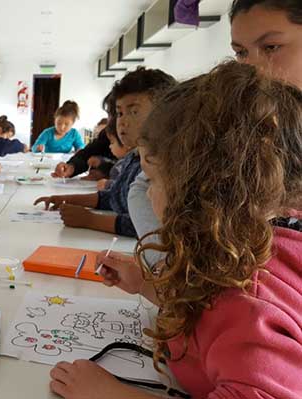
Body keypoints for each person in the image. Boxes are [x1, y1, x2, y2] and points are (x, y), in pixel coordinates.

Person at [50, 61, 302, 399]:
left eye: (152, 181)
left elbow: (232, 322)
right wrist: (147, 286)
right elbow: (207, 313)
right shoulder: (237, 250)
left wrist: (109, 394)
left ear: (198, 192)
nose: (146, 193)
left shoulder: (249, 302)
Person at [127, 0, 302, 267]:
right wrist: (174, 280)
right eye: (241, 52)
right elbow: (146, 181)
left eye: (271, 48)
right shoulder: (242, 122)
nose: (251, 68)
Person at [34, 68, 176, 238]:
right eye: (119, 113)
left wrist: (90, 220)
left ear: (166, 113)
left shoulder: (168, 166)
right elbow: (113, 197)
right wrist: (65, 194)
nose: (122, 121)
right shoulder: (134, 157)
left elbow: (147, 225)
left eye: (134, 112)